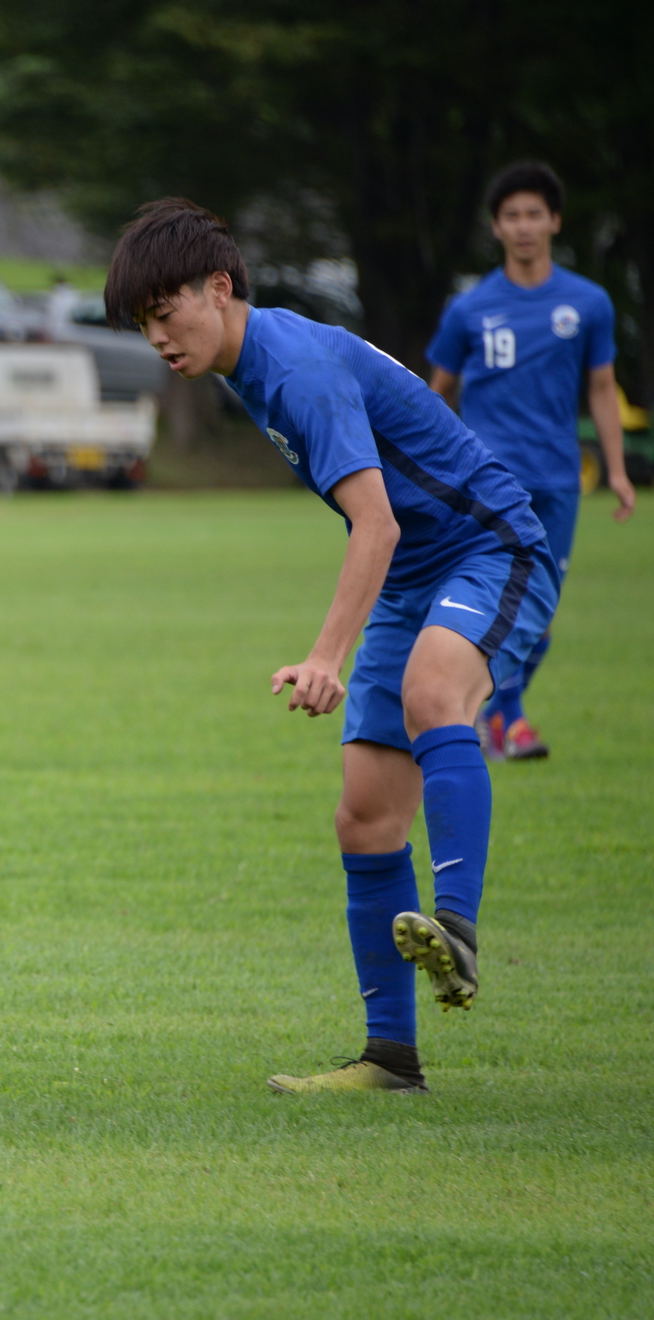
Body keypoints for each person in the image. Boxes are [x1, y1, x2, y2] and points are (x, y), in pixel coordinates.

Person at [106, 199, 557, 1095]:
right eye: (144, 322)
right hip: (414, 570)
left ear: (220, 287)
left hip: (486, 545)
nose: (159, 336)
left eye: (167, 312)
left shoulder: (294, 366)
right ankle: (390, 1058)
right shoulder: (249, 359)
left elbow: (375, 523)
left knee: (435, 692)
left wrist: (325, 655)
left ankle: (457, 930)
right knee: (363, 813)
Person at [427, 161, 636, 760]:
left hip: (559, 479)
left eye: (534, 215)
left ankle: (485, 711)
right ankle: (508, 723)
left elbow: (600, 388)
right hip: (491, 481)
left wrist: (617, 471)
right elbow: (435, 393)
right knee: (504, 603)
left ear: (555, 221)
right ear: (496, 227)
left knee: (538, 615)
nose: (523, 227)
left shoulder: (588, 304)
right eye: (511, 216)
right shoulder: (470, 309)